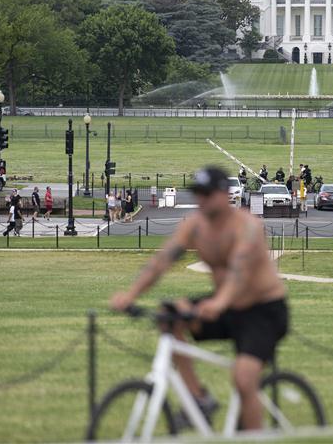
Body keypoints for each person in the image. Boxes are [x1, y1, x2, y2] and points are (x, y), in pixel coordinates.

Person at [110, 167, 288, 432]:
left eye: (208, 194)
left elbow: (240, 271)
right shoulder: (195, 225)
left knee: (243, 379)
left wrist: (219, 303)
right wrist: (131, 294)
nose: (202, 200)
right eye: (198, 194)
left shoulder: (247, 226)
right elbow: (162, 261)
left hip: (262, 310)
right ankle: (199, 399)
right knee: (170, 316)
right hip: (225, 305)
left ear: (224, 194)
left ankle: (254, 436)